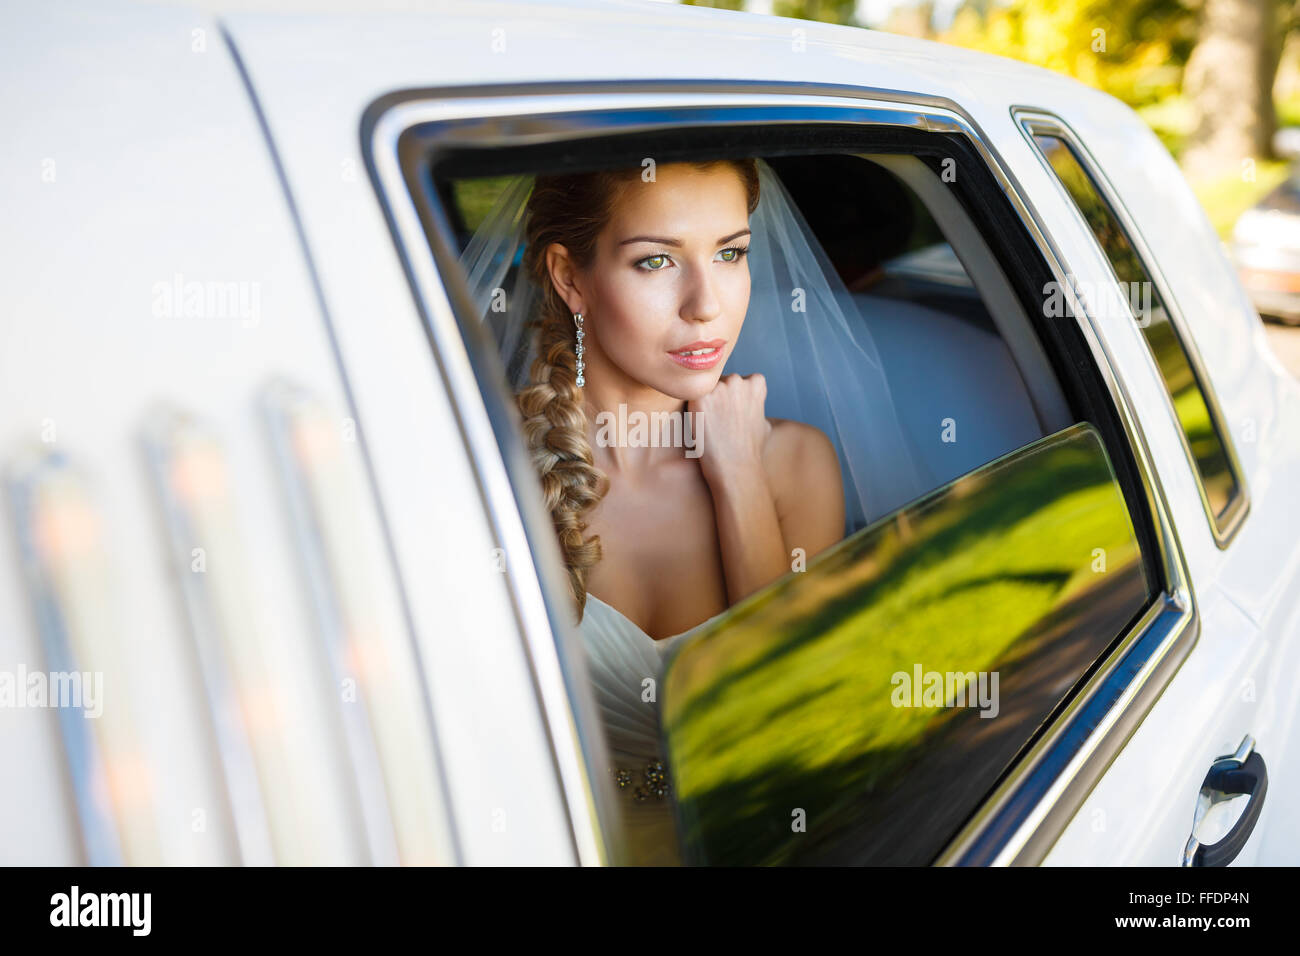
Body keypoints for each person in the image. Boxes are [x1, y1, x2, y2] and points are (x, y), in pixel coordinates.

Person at [458, 155, 930, 864]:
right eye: (655, 263)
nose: (707, 303)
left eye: (732, 253)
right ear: (568, 277)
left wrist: (738, 475)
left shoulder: (795, 466)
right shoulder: (485, 480)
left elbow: (795, 726)